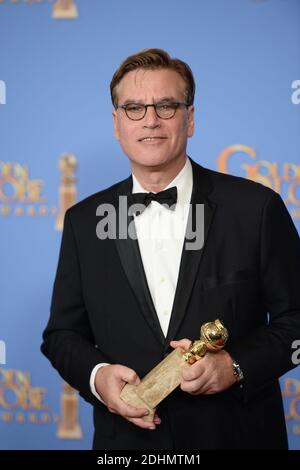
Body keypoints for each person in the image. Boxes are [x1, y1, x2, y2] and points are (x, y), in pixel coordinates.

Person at [41, 48, 300, 450]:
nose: (150, 120)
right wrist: (98, 376)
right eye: (133, 108)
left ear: (190, 118)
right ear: (116, 123)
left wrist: (234, 367)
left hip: (236, 437)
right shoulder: (83, 221)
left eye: (166, 105)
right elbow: (61, 335)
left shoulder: (256, 209)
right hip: (127, 447)